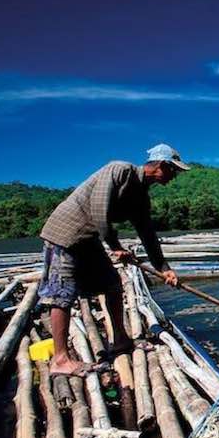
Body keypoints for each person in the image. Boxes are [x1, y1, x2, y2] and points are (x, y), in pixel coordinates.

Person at [38, 144, 189, 376]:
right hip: (65, 234)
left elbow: (148, 234)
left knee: (112, 284)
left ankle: (120, 340)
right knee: (62, 294)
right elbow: (99, 211)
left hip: (89, 238)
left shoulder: (141, 197)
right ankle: (60, 359)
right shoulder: (120, 170)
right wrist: (116, 247)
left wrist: (164, 268)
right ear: (162, 165)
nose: (174, 177)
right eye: (173, 171)